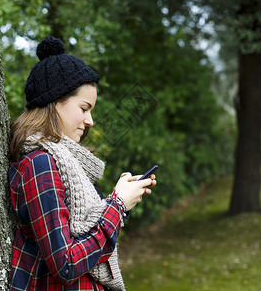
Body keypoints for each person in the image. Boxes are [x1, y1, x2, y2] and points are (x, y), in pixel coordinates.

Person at [8, 36, 157, 291]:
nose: (90, 121)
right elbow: (66, 263)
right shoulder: (40, 164)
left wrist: (120, 199)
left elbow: (85, 231)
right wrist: (117, 206)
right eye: (84, 108)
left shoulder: (66, 162)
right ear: (55, 102)